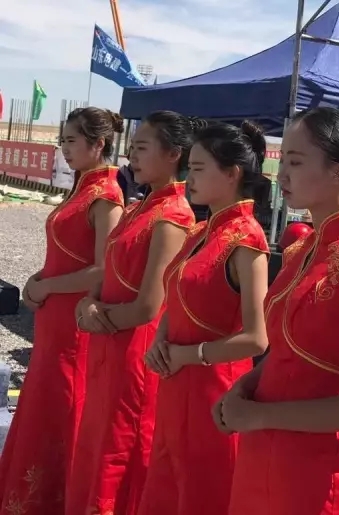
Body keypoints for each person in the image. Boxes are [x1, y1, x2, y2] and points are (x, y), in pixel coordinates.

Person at [223, 107, 339, 515]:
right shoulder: (303, 248)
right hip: (264, 451)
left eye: (296, 163)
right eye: (283, 161)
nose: (283, 175)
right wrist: (244, 387)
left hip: (316, 471)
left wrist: (262, 416)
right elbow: (285, 351)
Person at [66, 111, 196, 515]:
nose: (131, 157)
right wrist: (88, 302)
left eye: (141, 148)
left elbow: (149, 305)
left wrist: (94, 316)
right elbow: (105, 270)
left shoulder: (175, 215)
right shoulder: (141, 208)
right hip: (108, 344)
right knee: (96, 443)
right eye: (132, 147)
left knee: (122, 449)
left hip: (133, 352)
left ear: (173, 154)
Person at [137, 120, 270, 515]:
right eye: (189, 168)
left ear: (232, 174)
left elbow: (257, 338)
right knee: (166, 489)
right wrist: (161, 339)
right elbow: (175, 295)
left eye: (198, 168)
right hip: (175, 383)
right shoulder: (200, 233)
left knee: (202, 493)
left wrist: (188, 354)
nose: (189, 178)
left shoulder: (247, 240)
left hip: (214, 391)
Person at [0, 107, 124, 514]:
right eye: (62, 141)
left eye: (72, 141)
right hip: (52, 315)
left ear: (98, 144)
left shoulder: (107, 195)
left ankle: (58, 499)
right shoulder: (82, 188)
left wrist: (47, 286)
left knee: (66, 405)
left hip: (74, 320)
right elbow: (62, 257)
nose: (64, 149)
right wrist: (36, 280)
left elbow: (104, 269)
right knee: (43, 403)